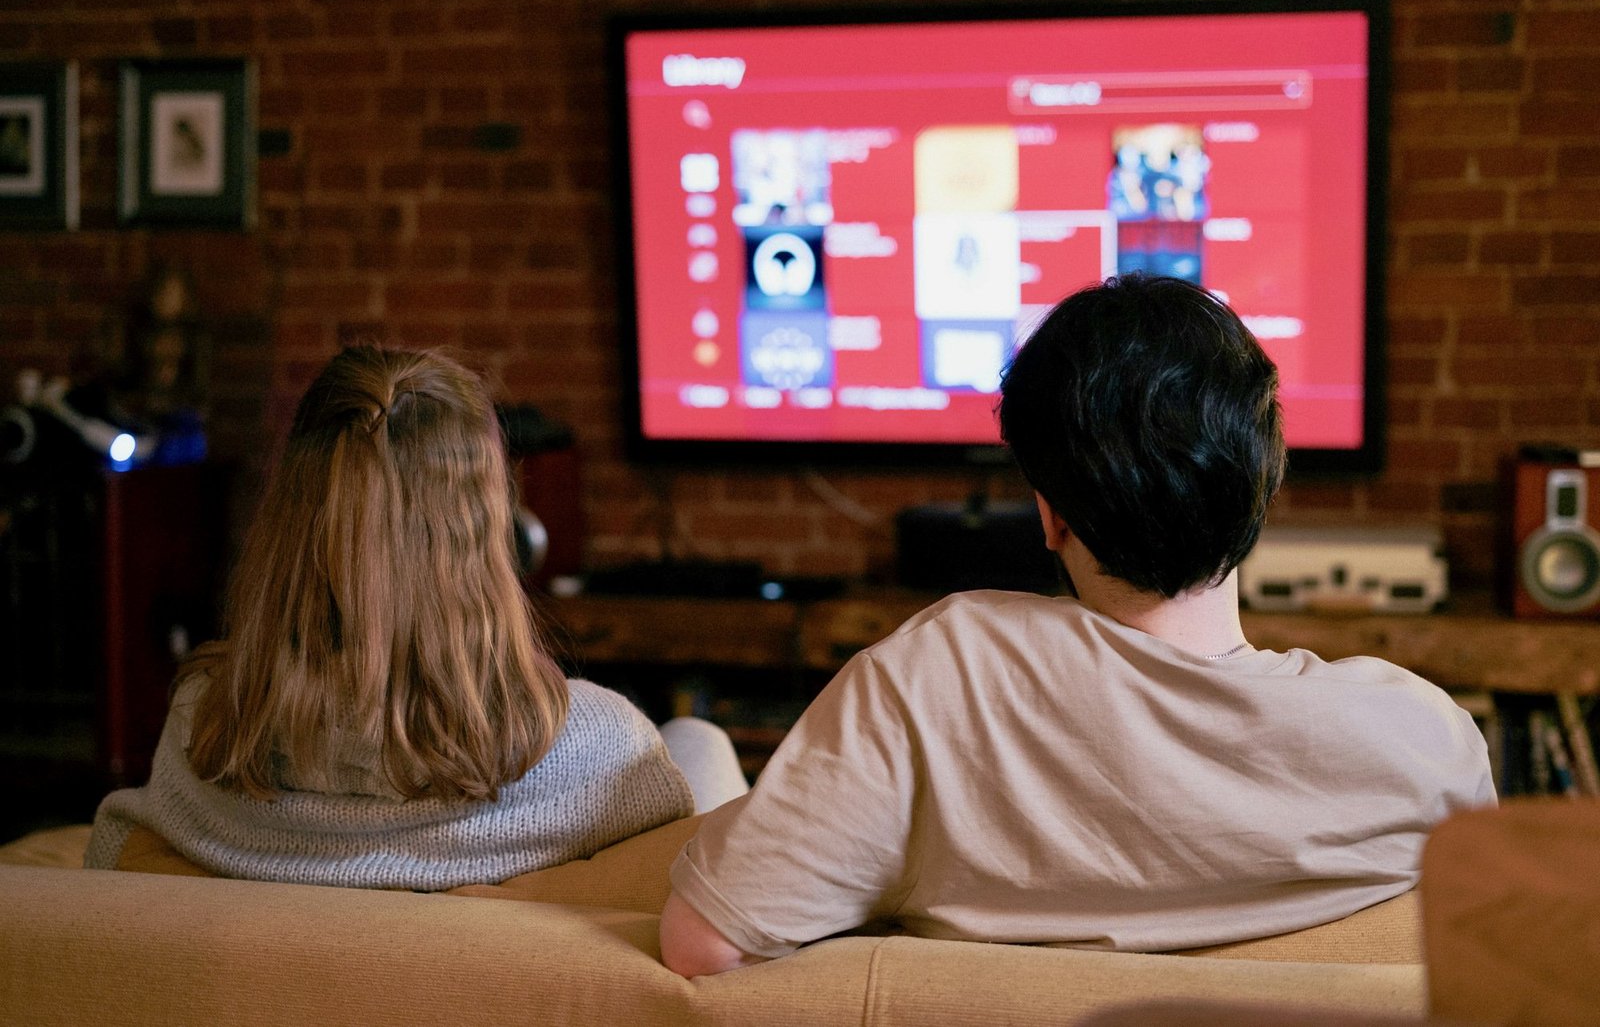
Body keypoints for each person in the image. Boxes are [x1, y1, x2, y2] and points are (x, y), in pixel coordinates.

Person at [659, 274, 1496, 976]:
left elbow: (705, 945)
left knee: (690, 742)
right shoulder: (1431, 746)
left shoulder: (944, 676)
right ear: (1263, 483)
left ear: (1051, 515)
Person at [85, 345, 744, 889]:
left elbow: (118, 845)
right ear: (489, 531)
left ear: (289, 523)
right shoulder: (598, 748)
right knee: (699, 738)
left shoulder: (203, 725)